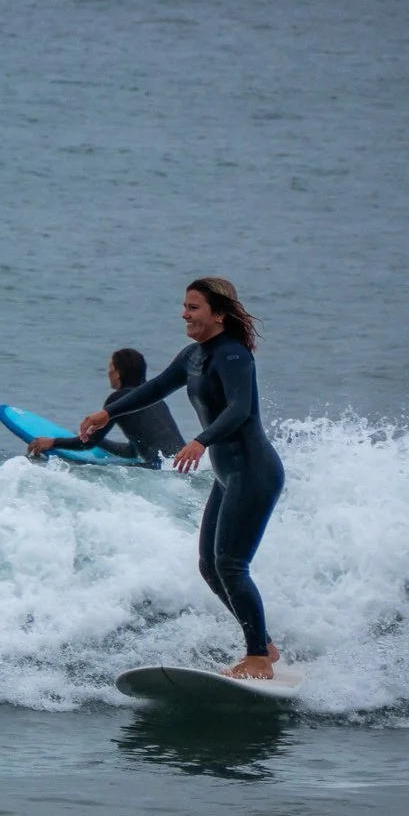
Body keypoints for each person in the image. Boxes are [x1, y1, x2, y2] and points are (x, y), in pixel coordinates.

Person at [78, 278, 284, 679]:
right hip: (229, 476)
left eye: (193, 308)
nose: (184, 314)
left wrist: (201, 441)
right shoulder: (193, 356)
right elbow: (155, 388)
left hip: (254, 470)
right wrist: (109, 413)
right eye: (184, 306)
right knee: (210, 566)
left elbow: (240, 409)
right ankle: (265, 645)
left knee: (231, 564)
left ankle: (258, 657)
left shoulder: (234, 356)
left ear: (218, 315)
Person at [27, 348, 185, 465]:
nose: (108, 372)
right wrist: (101, 442)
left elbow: (87, 444)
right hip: (181, 463)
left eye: (110, 367)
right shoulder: (155, 399)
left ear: (117, 373)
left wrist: (53, 442)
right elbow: (133, 450)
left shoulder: (119, 399)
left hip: (158, 467)